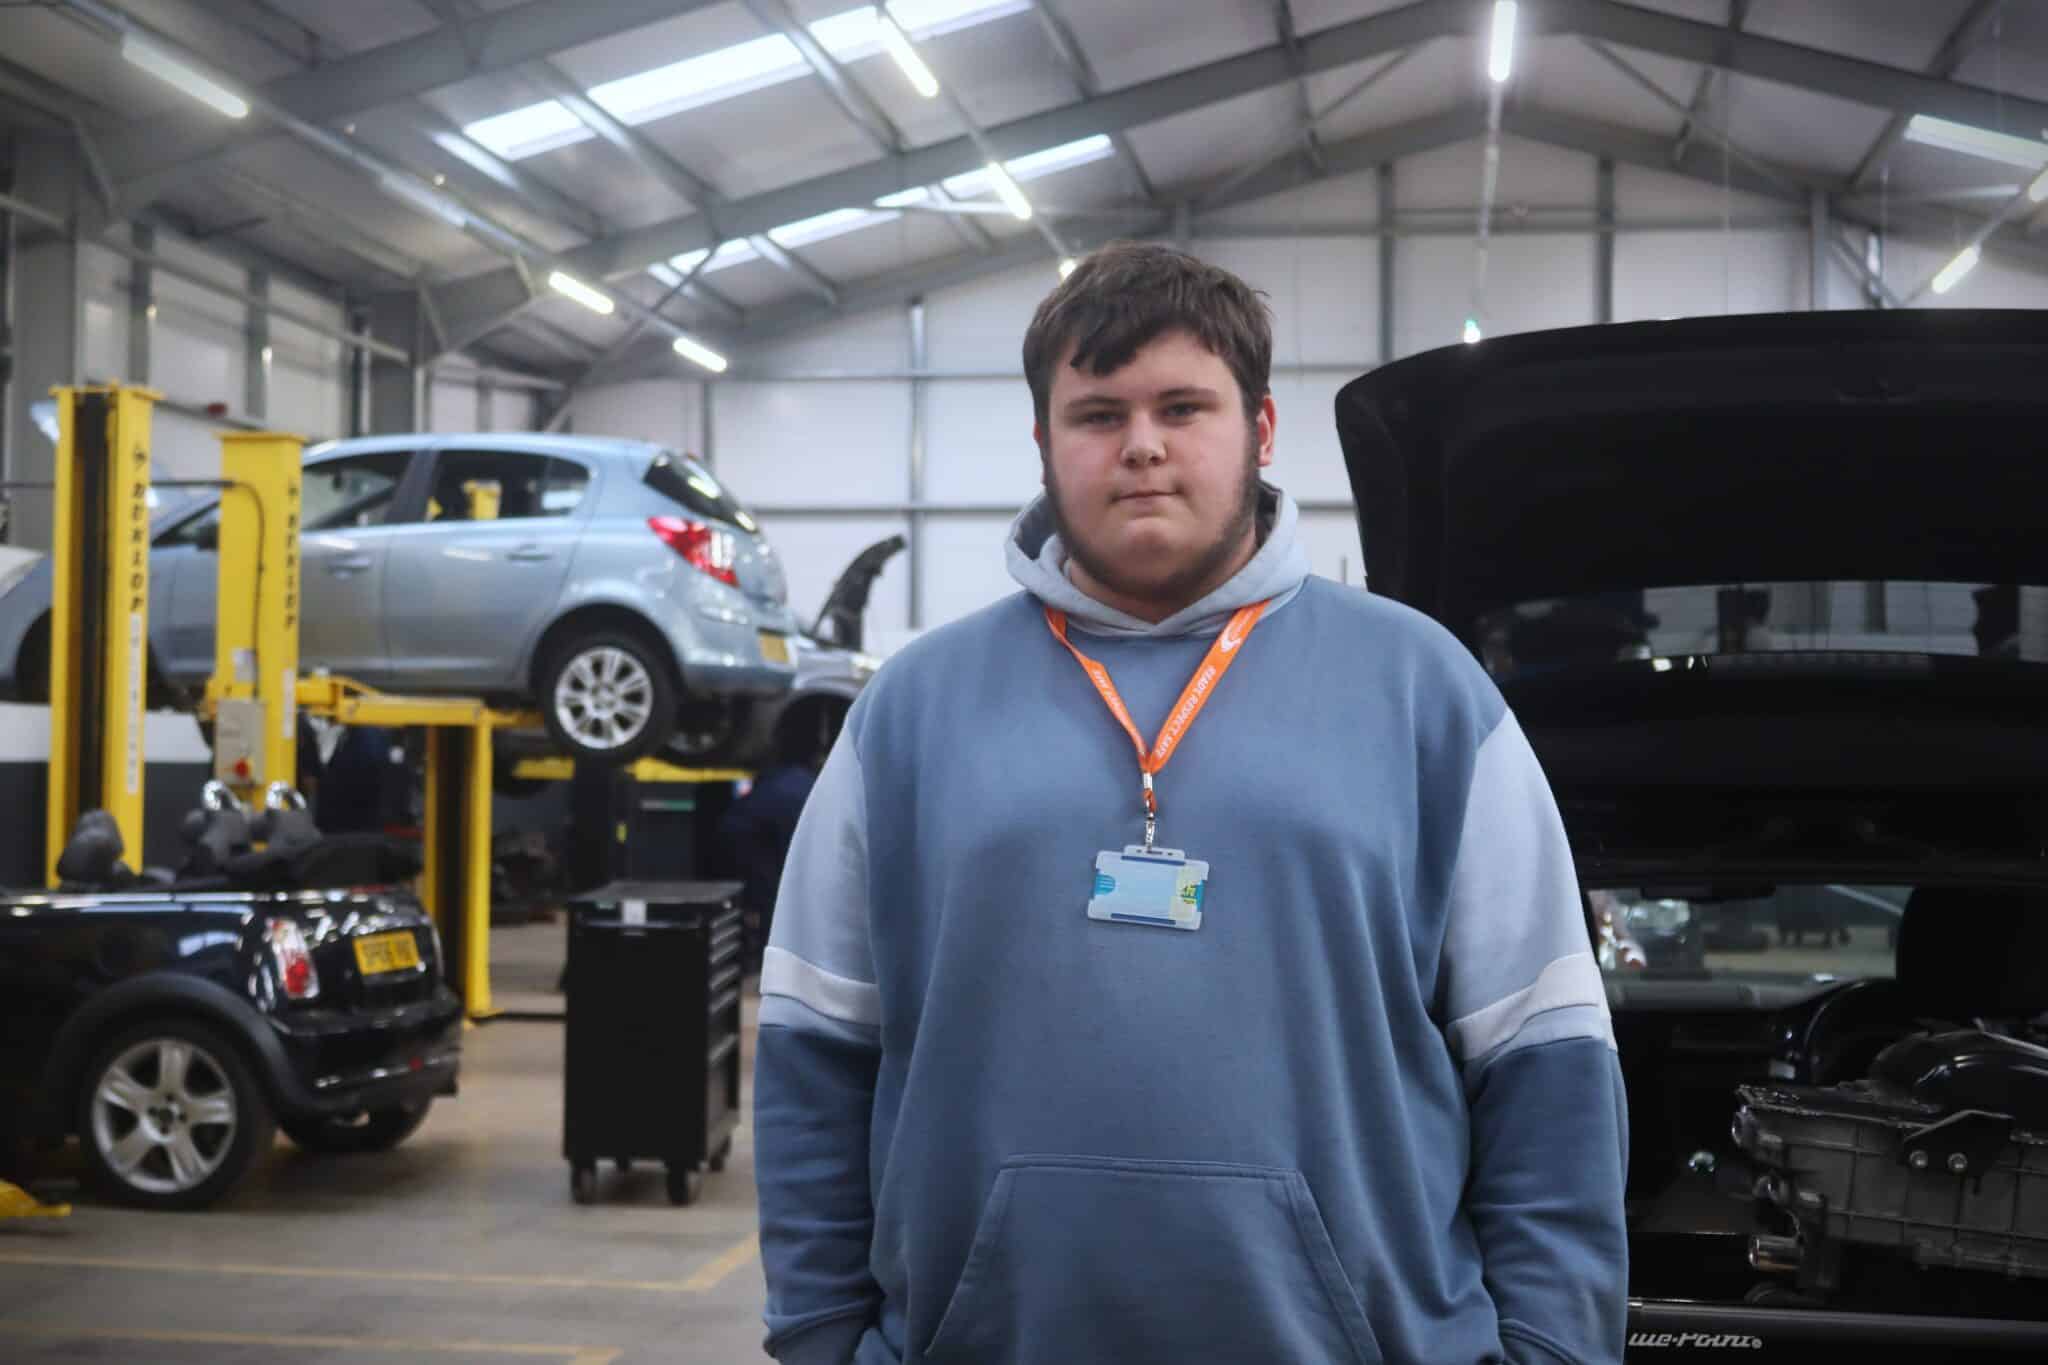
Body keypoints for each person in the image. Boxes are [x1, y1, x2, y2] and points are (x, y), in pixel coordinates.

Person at [753, 241, 1628, 1364]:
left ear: (1259, 431)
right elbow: (814, 1052)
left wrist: (1554, 1348)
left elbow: (1541, 1055)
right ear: (1042, 442)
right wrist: (823, 1339)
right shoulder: (912, 711)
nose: (1143, 447)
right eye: (1097, 413)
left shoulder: (1424, 692)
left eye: (1182, 406)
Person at [718, 718, 823, 976]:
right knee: (773, 900)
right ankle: (774, 966)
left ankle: (766, 960)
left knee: (770, 899)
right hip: (753, 840)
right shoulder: (804, 787)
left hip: (740, 835)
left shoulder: (790, 780)